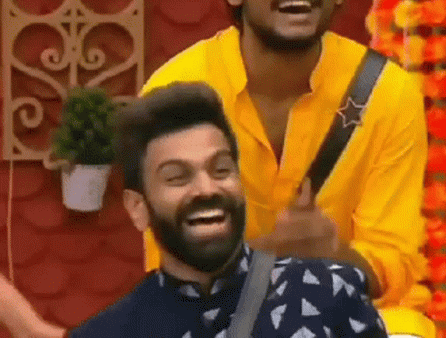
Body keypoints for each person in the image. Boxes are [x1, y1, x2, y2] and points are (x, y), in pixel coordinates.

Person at [141, 0, 434, 337]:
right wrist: (272, 256)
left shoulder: (385, 92)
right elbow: (171, 270)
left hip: (344, 313)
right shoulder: (175, 91)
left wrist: (332, 253)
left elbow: (393, 268)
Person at [67, 82, 386, 337]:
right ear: (138, 208)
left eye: (220, 170)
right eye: (177, 177)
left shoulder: (330, 295)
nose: (207, 189)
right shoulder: (108, 333)